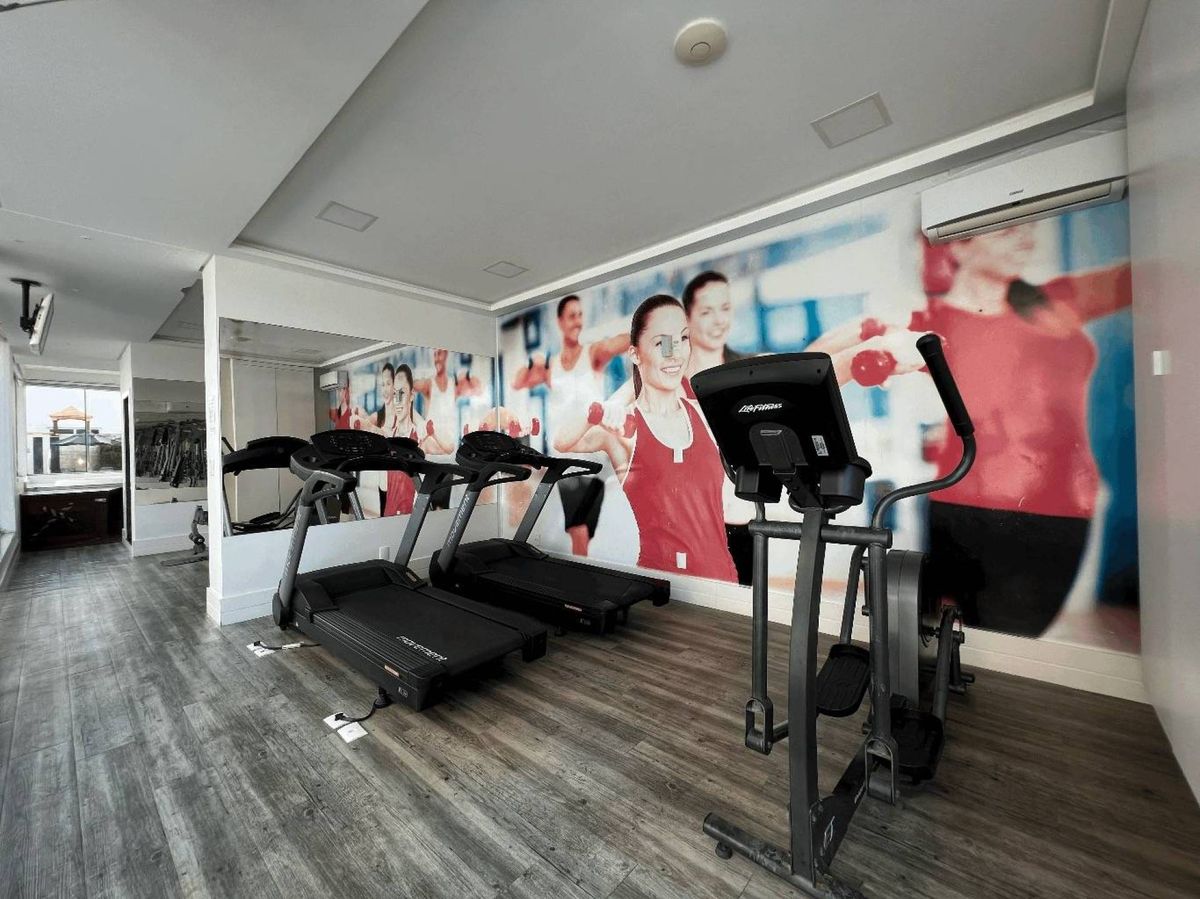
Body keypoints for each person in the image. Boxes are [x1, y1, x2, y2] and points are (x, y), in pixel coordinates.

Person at [810, 223, 1132, 636]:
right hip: (967, 506)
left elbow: (1139, 275)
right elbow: (814, 363)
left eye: (1029, 227)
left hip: (1063, 508)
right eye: (1006, 231)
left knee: (1017, 634)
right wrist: (874, 337)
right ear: (958, 247)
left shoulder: (1054, 301)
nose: (1026, 237)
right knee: (978, 635)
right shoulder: (929, 321)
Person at [555, 294, 738, 582]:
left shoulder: (704, 412)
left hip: (722, 583)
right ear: (635, 354)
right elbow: (562, 441)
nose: (675, 352)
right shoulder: (624, 427)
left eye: (682, 339)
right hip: (661, 588)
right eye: (661, 342)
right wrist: (603, 408)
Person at [514, 294, 630, 556]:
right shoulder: (551, 366)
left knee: (583, 529)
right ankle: (579, 577)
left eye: (580, 315)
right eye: (571, 316)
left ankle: (579, 574)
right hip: (567, 458)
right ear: (560, 322)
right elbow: (518, 382)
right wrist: (533, 362)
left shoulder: (593, 352)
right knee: (579, 529)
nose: (577, 321)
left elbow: (621, 342)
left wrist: (647, 330)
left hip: (594, 458)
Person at [682, 271, 754, 584]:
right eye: (706, 312)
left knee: (744, 599)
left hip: (740, 517)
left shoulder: (747, 371)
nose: (718, 321)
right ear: (687, 318)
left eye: (725, 309)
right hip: (688, 520)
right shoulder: (669, 377)